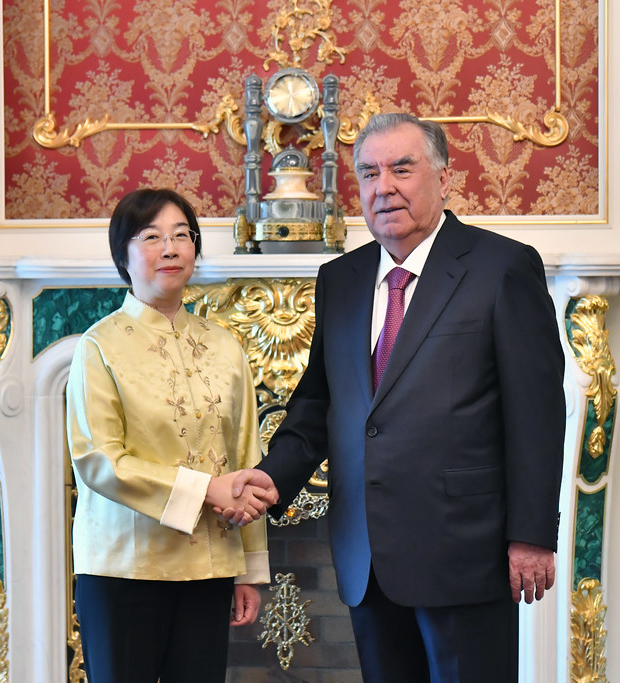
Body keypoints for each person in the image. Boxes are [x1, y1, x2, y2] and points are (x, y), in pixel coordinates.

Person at [223, 113, 566, 682]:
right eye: (369, 173)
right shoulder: (341, 278)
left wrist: (530, 535)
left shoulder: (502, 267)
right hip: (368, 556)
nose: (383, 187)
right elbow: (319, 405)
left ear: (444, 178)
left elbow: (537, 413)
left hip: (466, 552)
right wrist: (271, 478)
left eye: (402, 169)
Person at [66, 188, 277, 683]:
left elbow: (246, 458)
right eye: (152, 237)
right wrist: (205, 490)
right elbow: (99, 461)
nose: (170, 248)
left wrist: (248, 569)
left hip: (210, 568)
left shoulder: (225, 346)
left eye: (182, 235)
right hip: (123, 569)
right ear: (122, 255)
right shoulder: (98, 346)